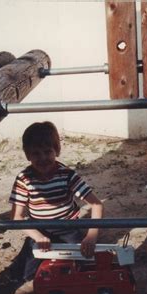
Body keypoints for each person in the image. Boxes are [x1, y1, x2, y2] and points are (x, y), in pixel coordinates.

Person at [8, 121, 104, 285]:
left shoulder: (66, 175)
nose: (43, 158)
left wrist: (91, 236)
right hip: (39, 229)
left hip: (68, 228)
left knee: (84, 263)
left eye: (47, 152)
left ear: (57, 151)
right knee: (25, 272)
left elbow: (96, 204)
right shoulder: (24, 179)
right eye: (36, 153)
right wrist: (37, 236)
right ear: (27, 155)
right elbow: (16, 216)